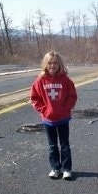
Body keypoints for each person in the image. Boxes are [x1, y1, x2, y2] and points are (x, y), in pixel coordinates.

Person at [30, 51, 78, 180]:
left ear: (60, 64)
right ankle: (56, 168)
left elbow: (72, 97)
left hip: (63, 118)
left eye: (55, 63)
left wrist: (66, 109)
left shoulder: (65, 80)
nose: (52, 66)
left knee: (64, 144)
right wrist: (44, 110)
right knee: (52, 145)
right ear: (45, 64)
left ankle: (66, 169)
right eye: (50, 63)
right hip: (48, 119)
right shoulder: (40, 81)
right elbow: (35, 99)